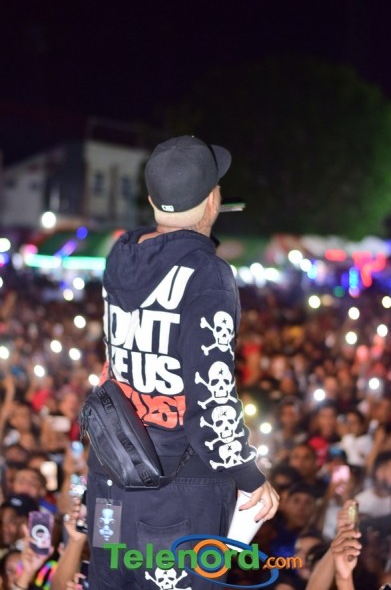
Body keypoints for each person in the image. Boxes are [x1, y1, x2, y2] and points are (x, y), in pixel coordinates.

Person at [86, 135, 279, 589]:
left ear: (152, 200)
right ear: (213, 199)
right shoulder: (207, 275)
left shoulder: (121, 256)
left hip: (110, 478)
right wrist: (249, 477)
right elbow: (211, 395)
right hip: (175, 493)